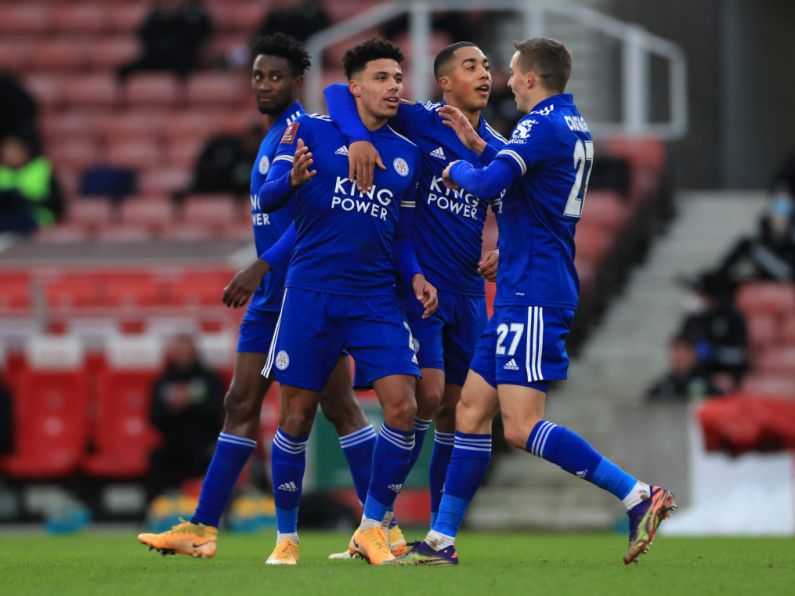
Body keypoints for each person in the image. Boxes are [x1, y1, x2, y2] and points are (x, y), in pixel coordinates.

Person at [394, 38, 675, 566]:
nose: (503, 79)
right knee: (472, 411)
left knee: (521, 426)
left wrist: (450, 166)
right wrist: (476, 145)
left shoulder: (539, 124)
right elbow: (523, 185)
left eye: (511, 71)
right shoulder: (568, 123)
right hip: (525, 282)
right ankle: (440, 540)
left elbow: (486, 186)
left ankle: (638, 494)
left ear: (528, 79)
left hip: (534, 292)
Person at [137, 33, 376, 560]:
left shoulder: (303, 133)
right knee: (243, 401)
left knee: (336, 406)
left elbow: (314, 224)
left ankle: (379, 526)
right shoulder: (271, 137)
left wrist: (260, 264)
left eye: (276, 77)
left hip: (299, 288)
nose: (264, 85)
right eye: (258, 76)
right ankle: (203, 527)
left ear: (297, 82)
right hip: (272, 293)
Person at [255, 38, 437, 566]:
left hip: (376, 297)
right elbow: (267, 197)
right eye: (381, 78)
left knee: (404, 404)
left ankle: (372, 526)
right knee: (295, 416)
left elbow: (402, 237)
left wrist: (418, 276)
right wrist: (288, 180)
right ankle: (286, 536)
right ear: (354, 86)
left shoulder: (408, 157)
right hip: (310, 293)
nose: (393, 87)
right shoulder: (309, 130)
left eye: (398, 78)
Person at [323, 41, 505, 537]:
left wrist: (505, 247)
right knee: (422, 399)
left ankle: (437, 534)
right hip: (422, 286)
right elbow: (339, 92)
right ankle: (377, 521)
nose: (485, 74)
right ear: (445, 82)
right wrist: (358, 138)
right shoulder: (423, 119)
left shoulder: (493, 143)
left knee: (456, 411)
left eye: (487, 66)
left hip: (469, 293)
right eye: (471, 67)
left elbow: (517, 202)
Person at [146, 335, 225, 500]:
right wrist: (172, 409)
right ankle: (157, 510)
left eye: (186, 352)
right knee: (157, 457)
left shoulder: (210, 378)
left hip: (202, 441)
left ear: (194, 353)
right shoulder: (163, 381)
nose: (182, 357)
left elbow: (217, 413)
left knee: (210, 456)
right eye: (179, 352)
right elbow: (154, 417)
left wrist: (189, 402)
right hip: (172, 442)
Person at [679, 272, 748, 387]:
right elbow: (682, 346)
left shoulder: (731, 318)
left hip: (724, 376)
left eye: (699, 294)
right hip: (695, 376)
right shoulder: (692, 319)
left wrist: (711, 353)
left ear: (710, 296)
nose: (696, 298)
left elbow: (740, 355)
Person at [117, 0, 212, 82]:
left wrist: (179, 16)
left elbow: (200, 38)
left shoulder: (196, 14)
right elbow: (145, 36)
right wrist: (166, 16)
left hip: (185, 59)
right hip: (158, 56)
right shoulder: (158, 14)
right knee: (124, 70)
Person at [0, 132, 64, 234]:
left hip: (35, 220)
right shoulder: (2, 173)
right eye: (7, 151)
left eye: (15, 150)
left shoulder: (41, 169)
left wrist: (24, 197)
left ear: (25, 150)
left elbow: (57, 205)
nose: (11, 155)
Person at [187, 124, 265, 199]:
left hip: (230, 196)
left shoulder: (256, 162)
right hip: (208, 190)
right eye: (252, 139)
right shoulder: (224, 144)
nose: (252, 143)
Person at [647, 335, 722, 402]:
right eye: (676, 350)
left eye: (684, 351)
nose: (679, 356)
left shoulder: (708, 383)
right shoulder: (662, 386)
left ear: (693, 354)